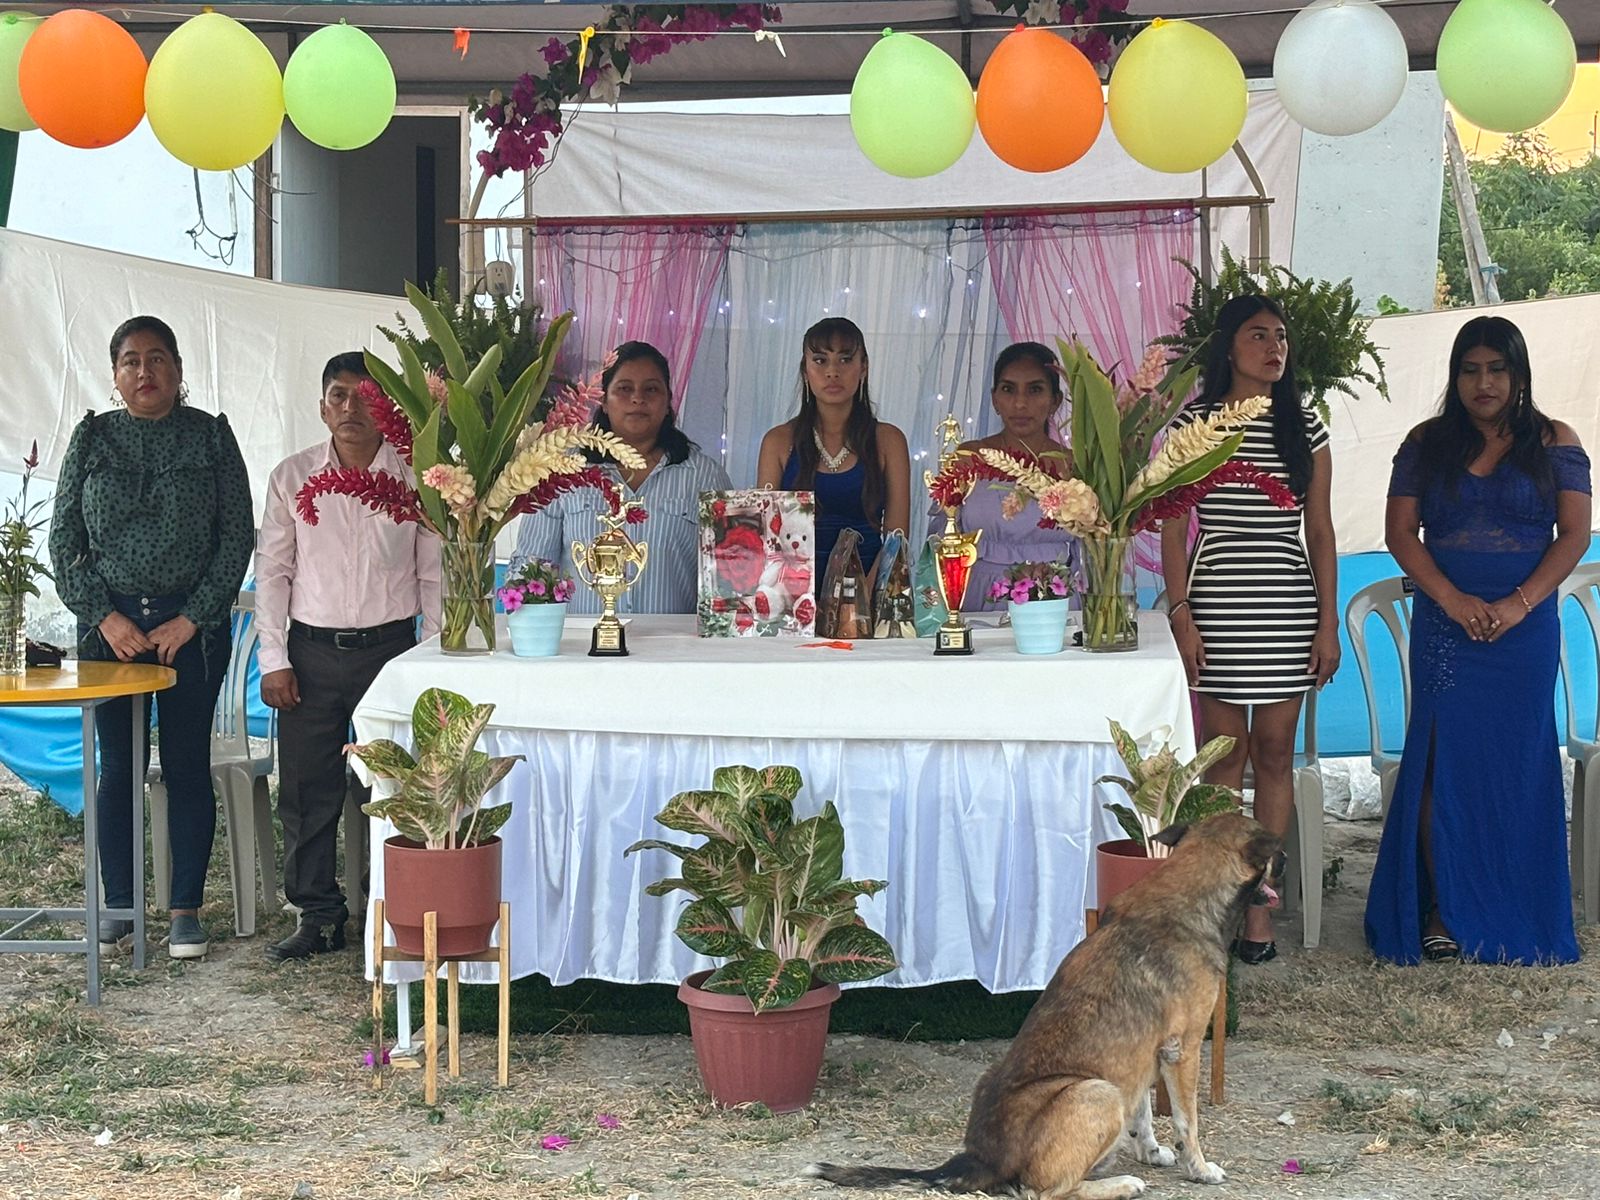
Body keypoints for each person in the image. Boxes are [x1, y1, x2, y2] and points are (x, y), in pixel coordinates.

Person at [1366, 316, 1587, 966]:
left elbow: (1575, 534)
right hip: (1445, 625)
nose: (1483, 383)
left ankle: (1514, 906)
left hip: (1524, 631)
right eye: (1470, 370)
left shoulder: (1556, 441)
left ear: (1518, 374)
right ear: (1455, 375)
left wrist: (1519, 605)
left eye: (1496, 369)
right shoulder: (1426, 441)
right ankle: (1444, 907)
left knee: (1517, 765)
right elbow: (1400, 533)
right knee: (1441, 762)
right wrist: (1452, 600)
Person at [49, 315, 253, 960]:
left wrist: (192, 617)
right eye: (132, 361)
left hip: (190, 630)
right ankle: (120, 907)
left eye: (158, 358)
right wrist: (103, 617)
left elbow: (236, 537)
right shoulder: (92, 437)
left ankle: (185, 911)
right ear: (115, 374)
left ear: (178, 370)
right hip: (108, 631)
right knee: (120, 766)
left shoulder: (210, 437)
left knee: (186, 762)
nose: (145, 371)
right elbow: (63, 541)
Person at [1160, 295, 1339, 964]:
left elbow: (1320, 530)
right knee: (1224, 757)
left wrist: (1327, 622)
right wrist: (1181, 613)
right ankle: (1218, 903)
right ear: (1229, 347)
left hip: (1287, 602)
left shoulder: (1305, 425)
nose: (1274, 347)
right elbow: (1172, 528)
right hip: (1217, 600)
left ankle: (1259, 908)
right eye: (1258, 334)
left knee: (1274, 752)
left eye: (1281, 336)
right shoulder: (1197, 423)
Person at [255, 352, 440, 961]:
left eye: (366, 396)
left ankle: (388, 908)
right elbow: (274, 573)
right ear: (322, 407)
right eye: (339, 395)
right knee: (307, 790)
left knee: (395, 785)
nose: (351, 407)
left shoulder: (418, 477)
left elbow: (434, 575)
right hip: (309, 654)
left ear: (387, 407)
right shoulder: (292, 476)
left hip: (391, 654)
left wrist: (433, 660)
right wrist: (273, 660)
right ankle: (317, 914)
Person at [515, 341, 730, 612]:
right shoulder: (562, 468)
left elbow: (727, 579)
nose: (638, 399)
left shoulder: (705, 477)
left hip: (674, 638)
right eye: (624, 388)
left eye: (651, 389)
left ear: (668, 402)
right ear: (604, 401)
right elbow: (532, 567)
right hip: (581, 638)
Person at [756, 317, 910, 575]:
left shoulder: (889, 440)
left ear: (864, 368)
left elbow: (897, 539)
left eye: (845, 359)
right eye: (820, 360)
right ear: (805, 370)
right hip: (793, 591)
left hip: (871, 589)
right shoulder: (778, 441)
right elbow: (767, 536)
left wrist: (865, 595)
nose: (832, 372)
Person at [936, 341, 1080, 611]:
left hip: (1056, 599)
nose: (1020, 403)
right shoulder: (969, 458)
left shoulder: (1075, 466)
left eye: (1035, 390)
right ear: (994, 399)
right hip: (979, 598)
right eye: (1008, 389)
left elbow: (1095, 550)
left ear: (1055, 401)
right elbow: (943, 543)